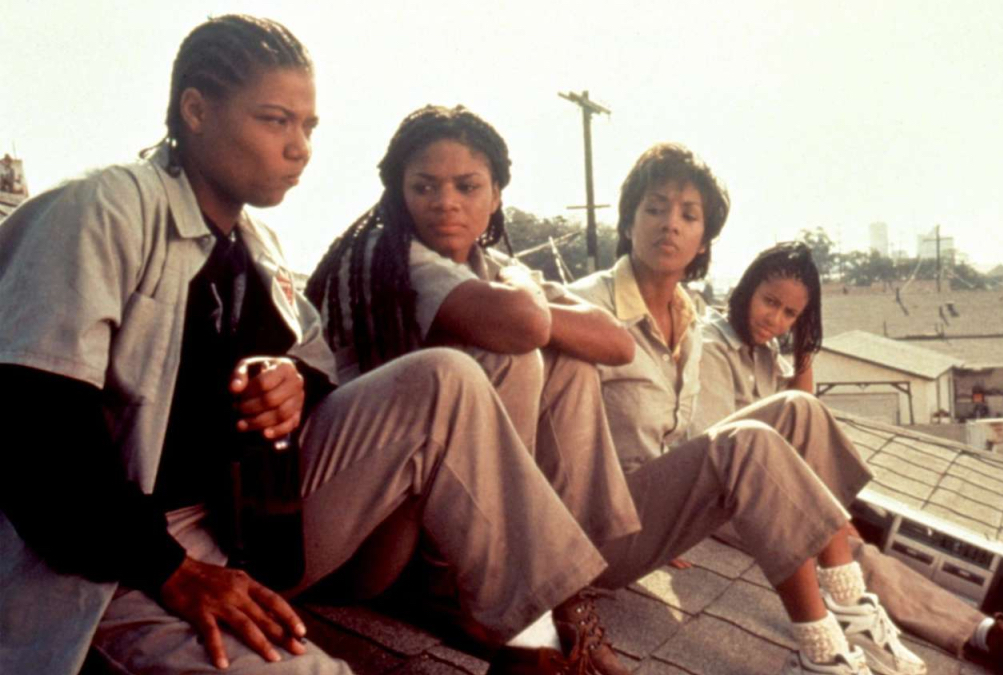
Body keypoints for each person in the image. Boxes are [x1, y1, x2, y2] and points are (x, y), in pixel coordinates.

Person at [0, 16, 630, 675]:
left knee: (445, 379)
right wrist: (172, 568)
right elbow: (30, 432)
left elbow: (317, 364)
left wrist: (299, 381)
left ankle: (536, 642)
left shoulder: (259, 247)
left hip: (247, 530)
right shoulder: (103, 209)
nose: (299, 149)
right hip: (112, 560)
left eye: (308, 127)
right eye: (276, 121)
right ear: (196, 110)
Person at [569, 143, 890, 675]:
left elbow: (674, 441)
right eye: (654, 208)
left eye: (688, 215)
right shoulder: (584, 305)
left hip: (647, 517)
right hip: (595, 533)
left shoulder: (688, 317)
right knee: (749, 443)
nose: (670, 225)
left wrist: (671, 508)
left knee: (797, 410)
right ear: (628, 222)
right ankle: (822, 654)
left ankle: (853, 611)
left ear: (703, 242)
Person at [694, 241, 1003, 675]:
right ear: (746, 288)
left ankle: (975, 627)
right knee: (855, 555)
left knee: (861, 544)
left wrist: (803, 349)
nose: (776, 320)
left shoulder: (762, 352)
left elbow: (803, 423)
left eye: (790, 314)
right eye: (770, 302)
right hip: (727, 500)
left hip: (771, 490)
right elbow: (714, 455)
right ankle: (979, 631)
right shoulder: (711, 347)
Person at [306, 105, 639, 550]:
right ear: (399, 194)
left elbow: (618, 343)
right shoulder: (387, 257)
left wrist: (522, 286)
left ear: (496, 194)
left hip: (430, 500)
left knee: (573, 365)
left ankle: (564, 551)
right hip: (366, 505)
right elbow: (524, 324)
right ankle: (483, 564)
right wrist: (525, 298)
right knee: (512, 351)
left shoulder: (495, 268)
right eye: (424, 187)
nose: (446, 202)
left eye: (467, 187)